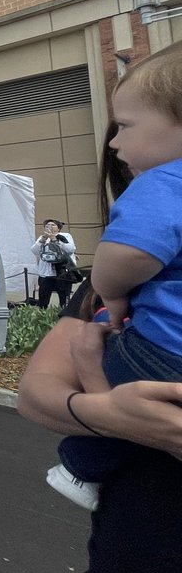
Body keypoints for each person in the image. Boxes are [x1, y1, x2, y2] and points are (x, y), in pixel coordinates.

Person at [40, 43, 182, 511]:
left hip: (163, 354)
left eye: (123, 126)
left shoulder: (162, 183)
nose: (114, 143)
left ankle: (82, 467)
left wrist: (114, 294)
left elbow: (122, 257)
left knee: (113, 366)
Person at [32, 219, 76, 309]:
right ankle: (42, 313)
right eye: (47, 225)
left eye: (53, 225)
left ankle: (63, 312)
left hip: (62, 272)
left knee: (64, 296)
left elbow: (70, 249)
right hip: (46, 273)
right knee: (43, 296)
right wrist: (43, 239)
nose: (50, 227)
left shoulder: (65, 236)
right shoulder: (43, 238)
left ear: (59, 228)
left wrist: (54, 239)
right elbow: (35, 251)